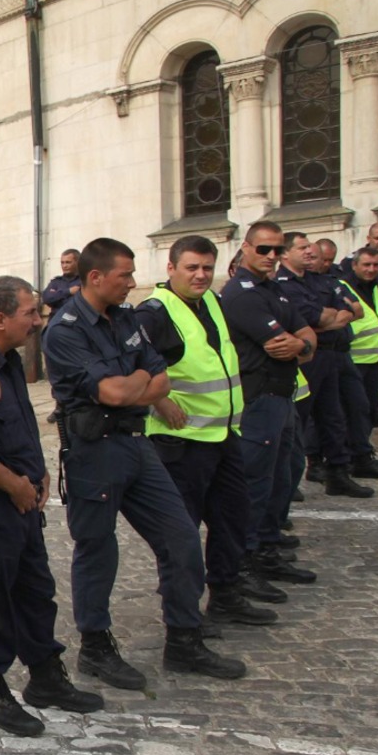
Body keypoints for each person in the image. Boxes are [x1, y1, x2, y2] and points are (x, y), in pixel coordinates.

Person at [43, 238, 246, 691]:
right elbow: (114, 393)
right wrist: (139, 382)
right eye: (124, 276)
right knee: (97, 550)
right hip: (94, 451)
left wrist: (133, 383)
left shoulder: (126, 317)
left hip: (137, 444)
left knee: (180, 538)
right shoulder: (66, 329)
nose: (132, 283)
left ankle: (184, 639)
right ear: (95, 278)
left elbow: (161, 378)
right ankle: (95, 647)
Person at [0, 276, 104, 737]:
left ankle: (45, 674)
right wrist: (13, 484)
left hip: (22, 499)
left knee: (35, 590)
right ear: (0, 320)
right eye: (30, 313)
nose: (38, 321)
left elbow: (19, 423)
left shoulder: (10, 361)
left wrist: (37, 475)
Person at [135, 237, 283, 629]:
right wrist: (158, 400)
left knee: (232, 518)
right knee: (181, 538)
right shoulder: (154, 312)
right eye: (191, 268)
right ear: (171, 269)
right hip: (181, 442)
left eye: (206, 267)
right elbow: (129, 364)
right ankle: (183, 617)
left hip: (223, 435)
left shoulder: (212, 303)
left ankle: (226, 594)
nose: (201, 275)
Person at [220, 224, 318, 587]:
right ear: (245, 248)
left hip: (283, 394)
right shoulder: (242, 294)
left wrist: (302, 345)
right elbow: (280, 340)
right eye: (264, 249)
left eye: (277, 250)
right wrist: (300, 343)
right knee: (257, 482)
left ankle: (267, 545)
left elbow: (306, 338)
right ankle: (247, 558)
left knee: (287, 472)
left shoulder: (274, 289)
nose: (272, 256)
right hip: (259, 398)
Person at [298, 239, 377, 499]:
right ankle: (307, 467)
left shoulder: (331, 281)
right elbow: (309, 319)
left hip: (338, 353)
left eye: (326, 258)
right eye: (318, 257)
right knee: (304, 417)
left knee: (342, 412)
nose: (321, 261)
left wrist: (329, 320)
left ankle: (340, 470)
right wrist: (329, 320)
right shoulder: (291, 286)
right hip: (313, 356)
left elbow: (353, 310)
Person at [334, 248, 378, 482]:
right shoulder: (345, 287)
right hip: (353, 360)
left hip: (372, 360)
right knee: (352, 412)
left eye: (375, 265)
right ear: (354, 266)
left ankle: (360, 455)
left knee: (368, 410)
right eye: (366, 265)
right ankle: (353, 458)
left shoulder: (373, 287)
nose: (371, 269)